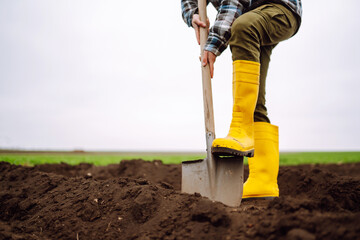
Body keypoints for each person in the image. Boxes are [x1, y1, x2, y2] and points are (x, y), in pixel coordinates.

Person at [181, 0, 302, 199]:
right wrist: (192, 14)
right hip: (251, 14)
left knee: (244, 27)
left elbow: (233, 2)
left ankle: (241, 129)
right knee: (255, 101)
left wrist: (212, 45)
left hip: (279, 7)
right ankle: (263, 181)